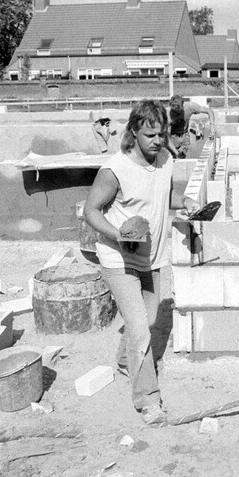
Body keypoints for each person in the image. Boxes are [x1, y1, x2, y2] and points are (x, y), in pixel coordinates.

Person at [84, 100, 199, 424]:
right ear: (134, 132)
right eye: (150, 135)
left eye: (162, 134)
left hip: (153, 257)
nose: (158, 141)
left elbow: (166, 196)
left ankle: (124, 361)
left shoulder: (165, 159)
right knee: (139, 330)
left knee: (145, 323)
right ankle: (148, 401)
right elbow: (90, 211)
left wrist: (186, 201)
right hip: (118, 257)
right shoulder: (115, 169)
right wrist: (118, 234)